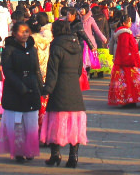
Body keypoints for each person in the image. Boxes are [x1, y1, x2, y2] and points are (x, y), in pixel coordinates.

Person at [41, 19, 88, 168]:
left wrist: (47, 89)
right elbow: (80, 68)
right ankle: (73, 156)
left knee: (56, 122)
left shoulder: (56, 46)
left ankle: (55, 155)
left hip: (59, 89)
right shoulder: (77, 45)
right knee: (74, 123)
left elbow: (52, 72)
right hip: (74, 88)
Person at [0, 21, 42, 162]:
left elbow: (36, 69)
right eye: (21, 31)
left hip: (31, 88)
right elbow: (8, 71)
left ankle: (29, 150)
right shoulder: (9, 50)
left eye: (26, 31)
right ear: (14, 33)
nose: (24, 34)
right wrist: (20, 86)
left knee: (31, 123)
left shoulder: (32, 48)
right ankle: (18, 152)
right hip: (15, 90)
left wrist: (40, 86)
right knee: (17, 123)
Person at [108, 14, 140, 107]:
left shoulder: (120, 32)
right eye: (129, 21)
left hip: (121, 58)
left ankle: (126, 99)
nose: (130, 23)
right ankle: (129, 99)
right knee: (129, 81)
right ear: (124, 23)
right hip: (127, 60)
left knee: (124, 81)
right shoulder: (125, 34)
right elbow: (126, 48)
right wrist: (130, 59)